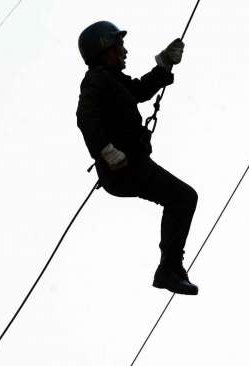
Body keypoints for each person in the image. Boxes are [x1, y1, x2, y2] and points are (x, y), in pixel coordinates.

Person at [76, 21, 198, 295]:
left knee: (182, 198)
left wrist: (164, 64)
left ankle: (170, 268)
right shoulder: (97, 80)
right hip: (124, 169)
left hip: (129, 167)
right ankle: (169, 269)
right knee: (183, 198)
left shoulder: (113, 80)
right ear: (104, 49)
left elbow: (140, 91)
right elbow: (85, 117)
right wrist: (106, 150)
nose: (125, 51)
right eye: (119, 46)